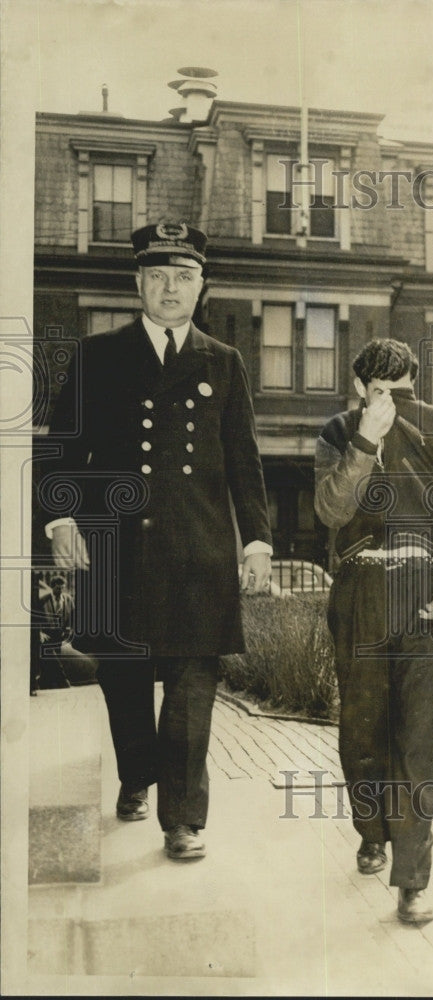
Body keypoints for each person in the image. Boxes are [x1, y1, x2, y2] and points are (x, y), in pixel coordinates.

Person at [41, 220, 272, 861]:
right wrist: (62, 521)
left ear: (202, 287)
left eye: (185, 277)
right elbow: (62, 449)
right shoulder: (99, 356)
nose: (171, 288)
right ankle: (135, 775)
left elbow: (244, 461)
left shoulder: (223, 363)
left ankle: (183, 819)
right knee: (125, 678)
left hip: (200, 556)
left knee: (194, 688)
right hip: (117, 554)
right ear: (139, 283)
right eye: (159, 276)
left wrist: (257, 541)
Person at [315, 338, 433, 924]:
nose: (398, 402)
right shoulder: (339, 432)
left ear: (418, 381)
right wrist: (366, 438)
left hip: (426, 595)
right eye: (383, 391)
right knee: (362, 732)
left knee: (417, 742)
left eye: (405, 391)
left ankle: (413, 879)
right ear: (361, 388)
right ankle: (372, 830)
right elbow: (333, 511)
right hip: (361, 590)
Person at [37, 574, 73, 689]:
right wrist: (40, 632)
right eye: (58, 588)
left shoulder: (68, 599)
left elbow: (73, 615)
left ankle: (48, 682)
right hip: (47, 633)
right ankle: (62, 681)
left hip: (61, 633)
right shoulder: (43, 600)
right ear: (52, 587)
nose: (61, 590)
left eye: (63, 588)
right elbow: (37, 618)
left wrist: (69, 629)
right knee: (49, 656)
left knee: (56, 656)